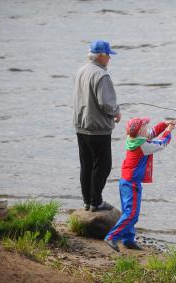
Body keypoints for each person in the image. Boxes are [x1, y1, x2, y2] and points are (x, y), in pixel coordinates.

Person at [104, 117, 176, 251]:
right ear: (140, 131)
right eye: (144, 126)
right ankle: (112, 236)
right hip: (132, 183)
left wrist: (163, 124)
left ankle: (128, 239)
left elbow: (152, 133)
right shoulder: (143, 146)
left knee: (128, 211)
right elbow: (161, 144)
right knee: (132, 214)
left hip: (125, 180)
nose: (147, 128)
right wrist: (168, 131)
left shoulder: (133, 139)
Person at [73, 40, 121, 212]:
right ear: (100, 55)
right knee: (103, 165)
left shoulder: (81, 71)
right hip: (98, 128)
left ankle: (87, 201)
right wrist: (116, 112)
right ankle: (96, 202)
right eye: (108, 55)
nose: (109, 58)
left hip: (81, 125)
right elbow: (106, 104)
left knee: (86, 165)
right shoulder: (102, 75)